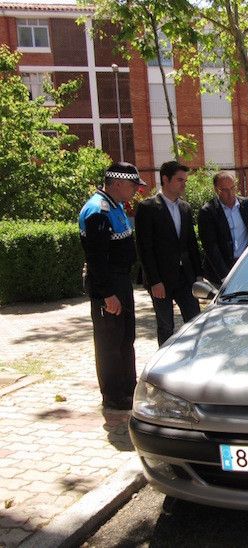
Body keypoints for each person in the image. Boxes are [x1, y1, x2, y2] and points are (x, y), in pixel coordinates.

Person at [79, 162, 146, 410]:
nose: (136, 191)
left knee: (125, 338)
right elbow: (97, 259)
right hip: (108, 285)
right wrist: (108, 295)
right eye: (133, 186)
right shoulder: (98, 211)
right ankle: (114, 396)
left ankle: (128, 387)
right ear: (117, 184)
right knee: (110, 342)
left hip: (120, 281)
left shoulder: (114, 205)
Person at [135, 160, 203, 346]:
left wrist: (198, 275)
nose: (184, 184)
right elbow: (144, 248)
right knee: (166, 326)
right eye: (180, 180)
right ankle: (165, 365)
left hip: (185, 278)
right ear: (165, 179)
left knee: (195, 322)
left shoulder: (185, 208)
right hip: (161, 280)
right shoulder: (147, 208)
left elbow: (191, 244)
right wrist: (154, 280)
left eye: (185, 181)